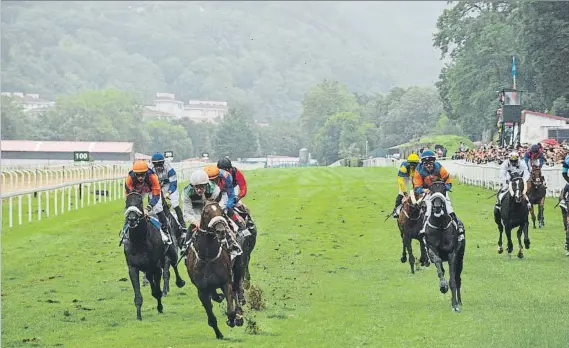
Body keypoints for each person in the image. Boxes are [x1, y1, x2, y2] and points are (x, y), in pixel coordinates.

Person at [180, 169, 242, 258]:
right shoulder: (186, 192)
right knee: (191, 228)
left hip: (213, 211)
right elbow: (187, 213)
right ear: (192, 185)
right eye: (196, 186)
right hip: (196, 212)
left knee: (223, 223)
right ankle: (185, 248)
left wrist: (214, 217)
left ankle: (232, 244)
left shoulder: (215, 188)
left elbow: (219, 206)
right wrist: (196, 222)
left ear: (206, 184)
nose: (199, 189)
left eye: (202, 186)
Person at [413, 150, 464, 238]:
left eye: (430, 164)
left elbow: (449, 184)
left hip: (441, 191)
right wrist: (424, 190)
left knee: (448, 206)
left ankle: (458, 225)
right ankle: (424, 229)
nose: (428, 166)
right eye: (426, 164)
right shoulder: (418, 170)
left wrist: (442, 189)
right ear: (423, 164)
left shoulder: (440, 168)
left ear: (434, 163)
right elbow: (417, 187)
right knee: (428, 208)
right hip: (429, 192)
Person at [123, 160, 171, 244]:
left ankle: (165, 231)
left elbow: (156, 196)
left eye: (142, 174)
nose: (140, 177)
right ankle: (125, 232)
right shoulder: (130, 178)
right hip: (137, 191)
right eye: (138, 175)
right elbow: (129, 196)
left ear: (146, 172)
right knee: (131, 209)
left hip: (151, 190)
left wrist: (148, 208)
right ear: (135, 174)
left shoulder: (152, 177)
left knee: (158, 208)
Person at [204, 165, 250, 234]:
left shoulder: (227, 177)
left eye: (214, 180)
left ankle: (240, 226)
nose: (212, 182)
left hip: (225, 191)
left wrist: (230, 203)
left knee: (226, 207)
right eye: (210, 180)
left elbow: (230, 195)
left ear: (219, 176)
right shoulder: (201, 178)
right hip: (208, 192)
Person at [150, 153, 187, 234]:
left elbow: (173, 184)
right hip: (157, 185)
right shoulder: (150, 170)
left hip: (169, 184)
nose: (158, 167)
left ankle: (182, 224)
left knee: (174, 204)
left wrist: (168, 193)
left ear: (163, 163)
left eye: (160, 164)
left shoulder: (170, 169)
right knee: (156, 205)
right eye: (156, 165)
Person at [216, 157, 254, 228]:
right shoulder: (215, 173)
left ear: (230, 168)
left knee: (238, 205)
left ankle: (247, 222)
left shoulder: (236, 172)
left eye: (226, 170)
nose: (224, 173)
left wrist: (238, 197)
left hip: (233, 189)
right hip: (220, 191)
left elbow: (243, 187)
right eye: (222, 170)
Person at [391, 153, 420, 218]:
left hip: (413, 176)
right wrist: (404, 192)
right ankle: (395, 210)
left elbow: (417, 180)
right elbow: (401, 181)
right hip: (404, 176)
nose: (412, 166)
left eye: (414, 165)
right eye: (411, 165)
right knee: (401, 193)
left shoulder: (419, 166)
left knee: (416, 191)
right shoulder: (404, 167)